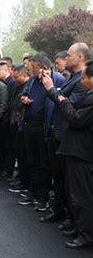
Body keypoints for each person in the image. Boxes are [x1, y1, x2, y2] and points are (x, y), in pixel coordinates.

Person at [39, 43, 88, 226]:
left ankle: (71, 218)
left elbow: (70, 105)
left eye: (69, 55)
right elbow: (61, 97)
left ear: (80, 57)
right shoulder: (72, 77)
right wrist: (55, 92)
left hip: (69, 136)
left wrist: (52, 89)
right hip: (56, 132)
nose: (66, 58)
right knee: (58, 176)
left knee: (71, 182)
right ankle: (58, 210)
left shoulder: (83, 80)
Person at [18, 54, 64, 210]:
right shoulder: (32, 80)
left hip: (44, 127)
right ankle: (33, 192)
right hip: (29, 124)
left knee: (44, 164)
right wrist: (24, 98)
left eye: (33, 68)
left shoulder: (57, 80)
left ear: (44, 68)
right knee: (32, 161)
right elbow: (23, 93)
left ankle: (43, 197)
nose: (30, 71)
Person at [56, 59, 93, 249]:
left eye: (85, 78)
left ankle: (86, 235)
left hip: (84, 154)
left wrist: (63, 102)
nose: (82, 81)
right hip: (77, 152)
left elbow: (77, 119)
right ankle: (81, 228)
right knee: (75, 193)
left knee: (82, 196)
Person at [8, 66, 31, 193]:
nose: (14, 79)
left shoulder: (28, 86)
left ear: (24, 75)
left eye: (16, 77)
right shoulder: (19, 86)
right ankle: (21, 179)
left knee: (23, 155)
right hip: (15, 125)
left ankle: (24, 181)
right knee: (19, 154)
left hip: (22, 126)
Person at [0, 63, 17, 177]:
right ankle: (1, 165)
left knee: (9, 146)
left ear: (5, 71)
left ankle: (8, 168)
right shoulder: (1, 83)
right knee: (1, 144)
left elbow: (9, 103)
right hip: (2, 119)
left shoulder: (12, 83)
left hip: (8, 119)